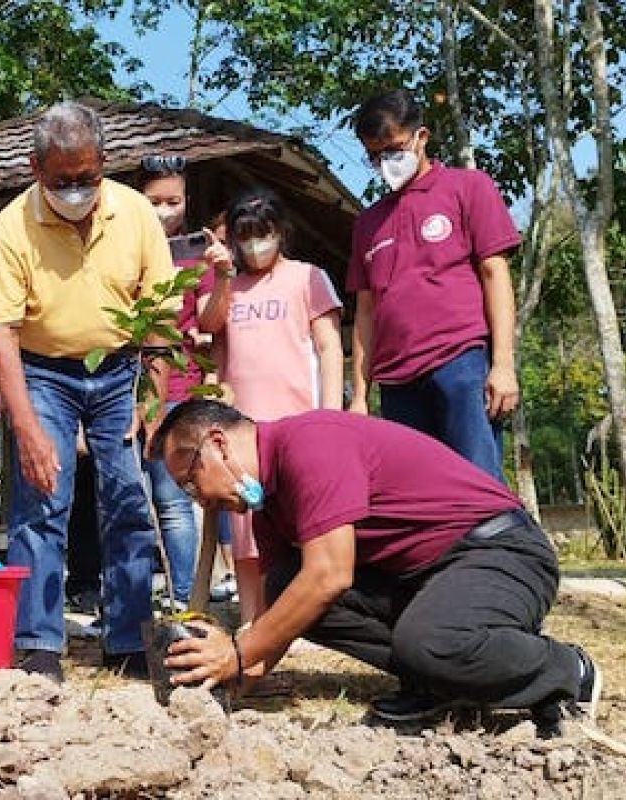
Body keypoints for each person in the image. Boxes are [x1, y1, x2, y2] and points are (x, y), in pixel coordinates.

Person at [154, 399, 602, 737]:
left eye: (191, 480)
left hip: (500, 551)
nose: (199, 498)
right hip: (425, 575)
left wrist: (238, 649)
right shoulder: (267, 505)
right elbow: (284, 612)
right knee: (288, 585)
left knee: (430, 643)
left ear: (217, 442)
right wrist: (229, 680)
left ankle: (567, 671)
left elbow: (330, 575)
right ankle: (436, 682)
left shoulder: (310, 444)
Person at [0, 101, 175, 682]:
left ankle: (129, 638)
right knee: (42, 500)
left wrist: (153, 400)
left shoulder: (136, 214)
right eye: (63, 181)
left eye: (88, 179)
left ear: (104, 164)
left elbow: (158, 313)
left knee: (128, 502)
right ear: (36, 167)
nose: (77, 191)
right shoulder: (10, 227)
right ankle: (38, 643)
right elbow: (0, 334)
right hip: (42, 371)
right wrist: (28, 427)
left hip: (119, 371)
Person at [348, 89, 520, 481]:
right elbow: (365, 313)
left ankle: (502, 546)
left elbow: (496, 275)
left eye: (392, 149)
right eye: (374, 155)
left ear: (420, 137)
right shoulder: (368, 223)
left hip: (461, 363)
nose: (385, 163)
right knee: (420, 497)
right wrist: (359, 395)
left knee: (479, 487)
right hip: (396, 383)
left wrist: (503, 366)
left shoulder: (468, 187)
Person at [200, 188, 343, 625]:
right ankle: (251, 621)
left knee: (301, 529)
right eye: (244, 237)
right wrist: (223, 276)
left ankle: (299, 621)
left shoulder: (308, 277)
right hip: (244, 435)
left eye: (263, 235)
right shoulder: (231, 288)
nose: (255, 246)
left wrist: (332, 417)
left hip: (298, 426)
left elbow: (329, 347)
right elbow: (208, 325)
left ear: (281, 232)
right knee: (245, 536)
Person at [137, 154, 215, 609]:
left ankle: (185, 596)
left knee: (172, 501)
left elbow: (209, 318)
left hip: (180, 393)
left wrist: (221, 276)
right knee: (127, 501)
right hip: (124, 392)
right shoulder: (121, 249)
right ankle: (128, 595)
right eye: (154, 201)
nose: (165, 210)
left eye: (174, 201)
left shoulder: (197, 254)